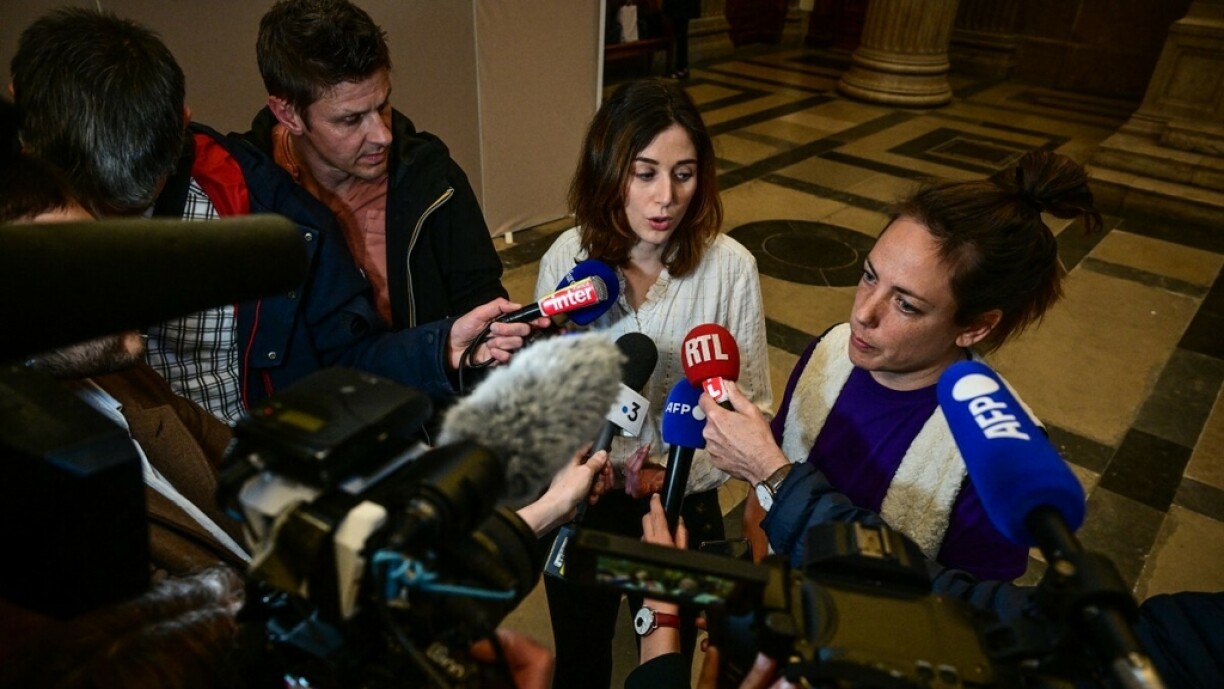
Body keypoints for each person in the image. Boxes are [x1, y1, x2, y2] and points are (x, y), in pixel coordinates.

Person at [9, 7, 541, 425]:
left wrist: (438, 348)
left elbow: (343, 358)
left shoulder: (278, 217)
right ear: (33, 142)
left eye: (379, 108)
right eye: (100, 205)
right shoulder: (20, 220)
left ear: (181, 122)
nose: (380, 134)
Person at [700, 149, 1102, 581]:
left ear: (975, 326)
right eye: (870, 275)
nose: (863, 314)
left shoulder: (994, 449)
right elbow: (762, 504)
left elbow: (967, 615)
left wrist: (770, 472)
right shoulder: (832, 349)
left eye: (906, 305)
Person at [535, 78, 772, 689]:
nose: (666, 198)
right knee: (581, 658)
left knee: (664, 653)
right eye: (644, 173)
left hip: (680, 506)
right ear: (607, 170)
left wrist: (676, 473)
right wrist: (580, 455)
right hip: (583, 498)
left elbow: (755, 411)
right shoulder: (568, 259)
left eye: (684, 173)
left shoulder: (732, 269)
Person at [245, 0, 507, 332]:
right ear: (288, 114)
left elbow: (480, 301)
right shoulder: (244, 190)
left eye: (382, 106)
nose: (382, 136)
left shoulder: (434, 181)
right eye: (351, 119)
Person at [664, 0, 700, 80]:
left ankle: (682, 68)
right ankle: (682, 67)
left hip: (681, 6)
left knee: (681, 36)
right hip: (682, 6)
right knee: (680, 35)